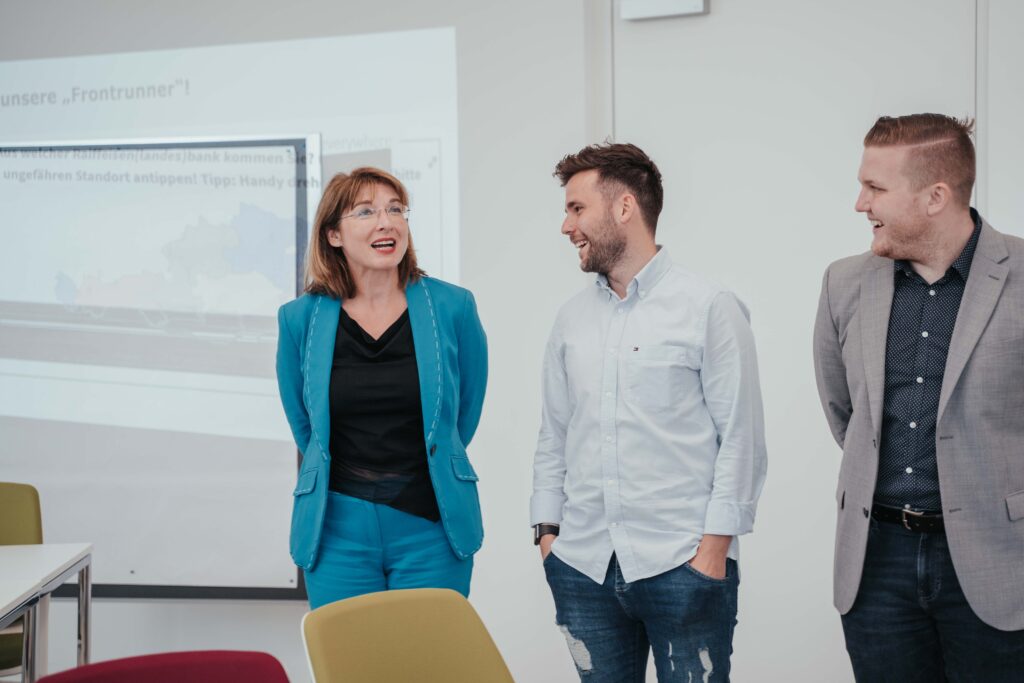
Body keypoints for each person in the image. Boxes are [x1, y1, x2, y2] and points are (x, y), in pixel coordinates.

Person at [531, 142, 767, 682]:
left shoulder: (710, 307)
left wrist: (712, 553)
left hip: (683, 565)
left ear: (624, 208)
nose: (566, 227)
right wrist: (549, 537)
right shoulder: (570, 320)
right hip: (584, 565)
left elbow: (742, 439)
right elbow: (554, 435)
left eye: (576, 208)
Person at [813, 114, 1024, 681]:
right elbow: (846, 415)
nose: (861, 204)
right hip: (876, 563)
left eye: (876, 188)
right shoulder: (843, 283)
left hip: (999, 560)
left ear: (936, 196)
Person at [276, 167, 487, 609]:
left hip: (431, 526)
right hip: (337, 531)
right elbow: (305, 424)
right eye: (365, 211)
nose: (386, 222)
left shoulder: (453, 307)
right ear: (333, 235)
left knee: (427, 669)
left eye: (395, 209)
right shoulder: (299, 319)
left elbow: (461, 416)